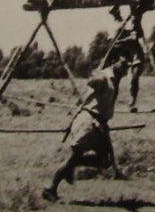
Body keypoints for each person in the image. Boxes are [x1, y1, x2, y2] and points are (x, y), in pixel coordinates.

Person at [44, 59, 130, 201]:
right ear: (114, 62)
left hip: (100, 123)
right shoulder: (104, 76)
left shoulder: (115, 80)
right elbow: (92, 82)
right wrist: (97, 74)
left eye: (127, 66)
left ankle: (72, 166)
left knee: (105, 160)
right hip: (89, 121)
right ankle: (50, 188)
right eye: (123, 64)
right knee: (74, 156)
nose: (126, 68)